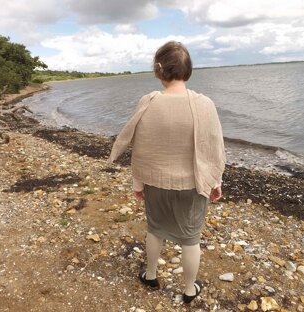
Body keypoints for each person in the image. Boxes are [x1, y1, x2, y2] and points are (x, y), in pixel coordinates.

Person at [108, 41, 225, 304]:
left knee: (155, 230)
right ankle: (188, 290)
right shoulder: (205, 104)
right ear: (188, 69)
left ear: (159, 70)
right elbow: (213, 148)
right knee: (190, 239)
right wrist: (215, 181)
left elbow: (142, 148)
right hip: (193, 185)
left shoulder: (148, 102)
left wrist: (138, 184)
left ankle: (151, 275)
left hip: (156, 182)